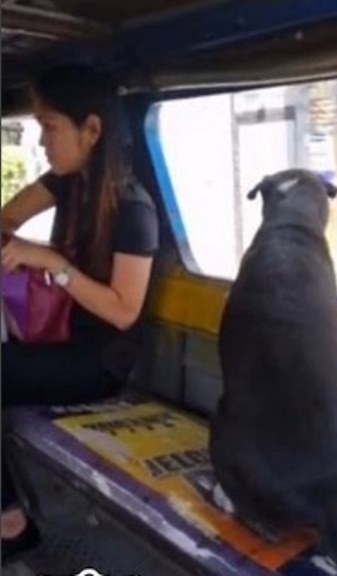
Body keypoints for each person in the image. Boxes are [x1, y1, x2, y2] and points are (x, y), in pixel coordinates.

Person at [0, 64, 159, 558]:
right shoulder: (68, 183)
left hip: (97, 362)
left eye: (49, 128)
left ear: (91, 130)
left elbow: (123, 312)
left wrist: (51, 262)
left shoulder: (134, 208)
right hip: (57, 335)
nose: (42, 141)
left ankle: (11, 524)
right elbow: (5, 218)